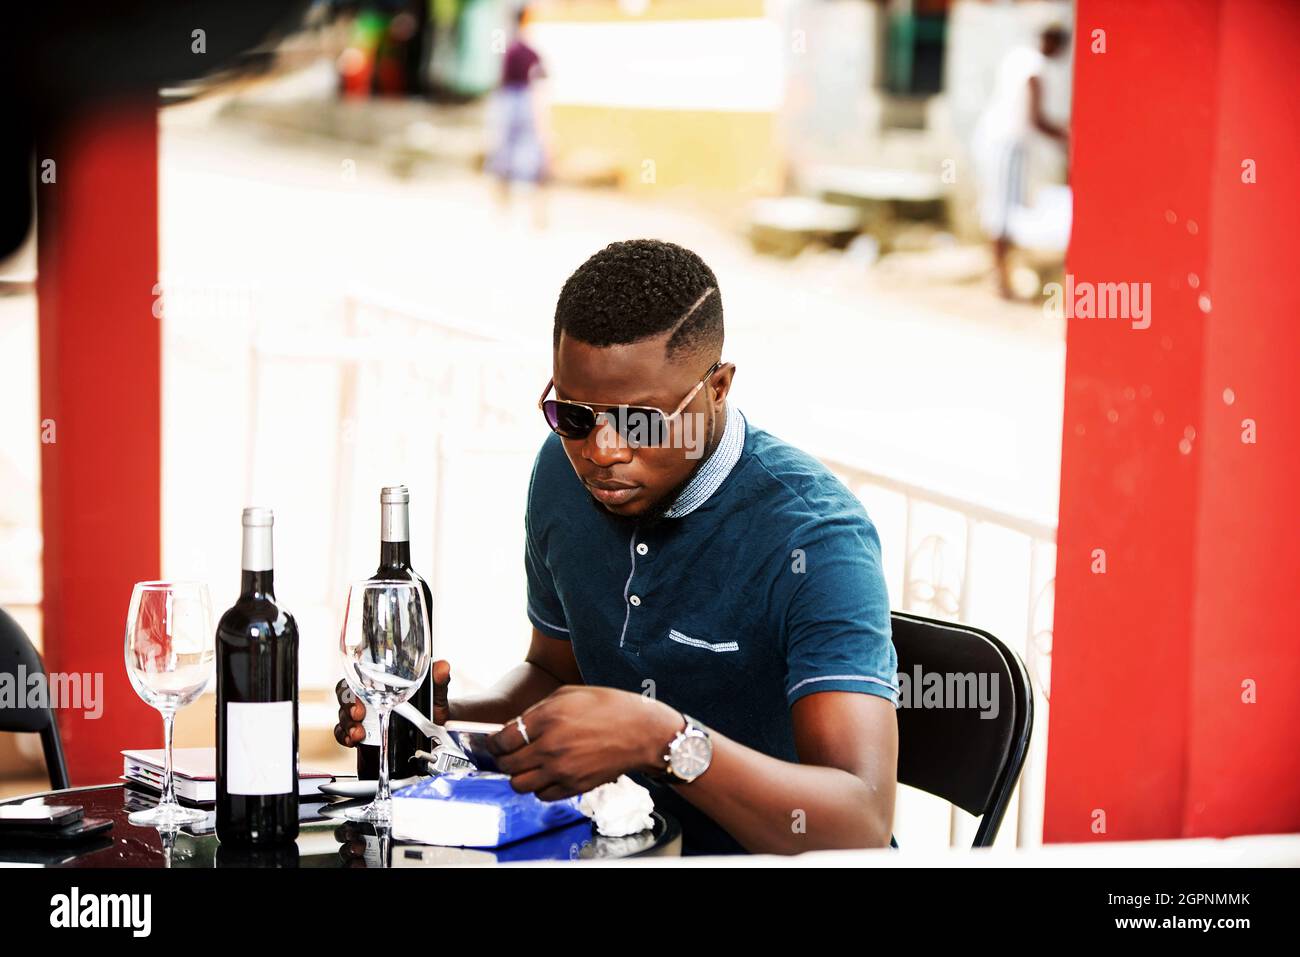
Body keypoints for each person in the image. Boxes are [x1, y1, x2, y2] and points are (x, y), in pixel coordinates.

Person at [336, 239, 899, 855]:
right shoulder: (561, 470)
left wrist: (665, 739)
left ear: (718, 388)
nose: (602, 451)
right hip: (617, 846)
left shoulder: (813, 536)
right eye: (575, 415)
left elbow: (860, 823)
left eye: (640, 421)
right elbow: (555, 672)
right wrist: (444, 717)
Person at [971, 22, 1070, 298]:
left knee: (1002, 209)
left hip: (998, 141)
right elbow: (1035, 119)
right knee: (1004, 212)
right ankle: (1000, 278)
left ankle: (1001, 274)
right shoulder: (1034, 69)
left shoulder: (1019, 57)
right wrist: (1068, 138)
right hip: (1007, 144)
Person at [486, 5, 549, 227]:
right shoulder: (518, 50)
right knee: (512, 154)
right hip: (519, 104)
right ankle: (509, 208)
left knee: (509, 154)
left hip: (517, 103)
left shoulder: (518, 50)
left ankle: (511, 209)